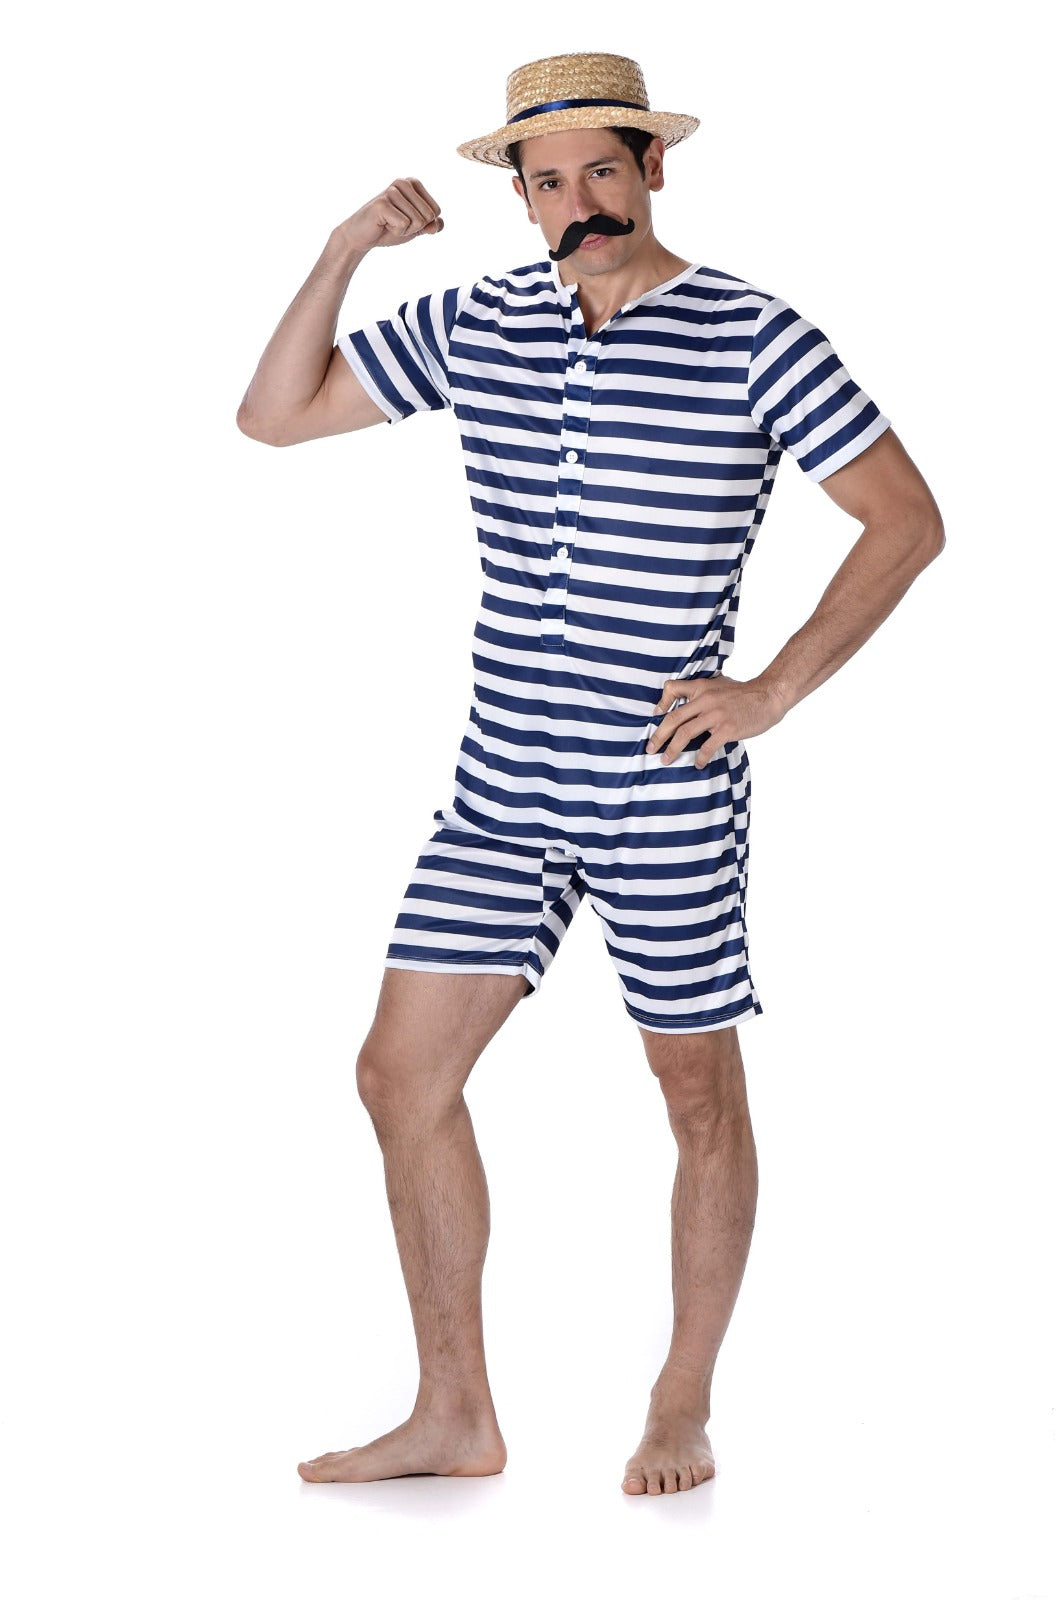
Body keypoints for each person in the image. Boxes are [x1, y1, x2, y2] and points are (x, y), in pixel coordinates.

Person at [236, 51, 944, 1496]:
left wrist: (771, 690)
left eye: (603, 171)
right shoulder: (479, 322)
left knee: (695, 1097)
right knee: (398, 1076)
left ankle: (681, 1404)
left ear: (653, 168)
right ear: (522, 195)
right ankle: (455, 1413)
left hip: (662, 781)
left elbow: (906, 520)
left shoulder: (755, 334)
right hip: (501, 781)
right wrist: (344, 248)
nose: (580, 204)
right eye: (548, 181)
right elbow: (275, 414)